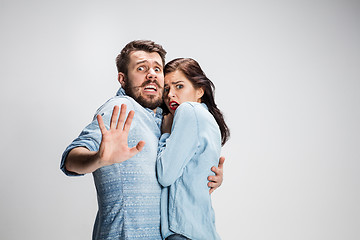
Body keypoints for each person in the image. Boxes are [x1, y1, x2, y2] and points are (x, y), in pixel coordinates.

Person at [60, 40, 224, 240]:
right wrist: (98, 159)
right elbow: (71, 159)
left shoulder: (164, 121)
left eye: (157, 68)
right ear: (123, 79)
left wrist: (205, 175)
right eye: (141, 68)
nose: (152, 74)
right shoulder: (121, 108)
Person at [156, 58, 230, 240]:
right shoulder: (206, 118)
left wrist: (165, 133)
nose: (170, 94)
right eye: (166, 89)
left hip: (183, 232)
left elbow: (165, 175)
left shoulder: (188, 110)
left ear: (200, 90)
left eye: (179, 86)